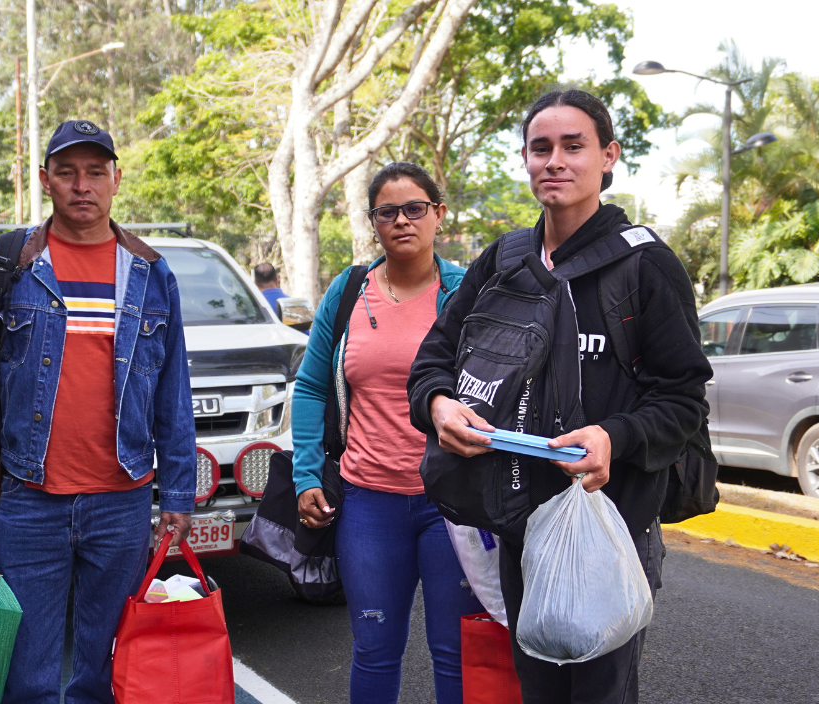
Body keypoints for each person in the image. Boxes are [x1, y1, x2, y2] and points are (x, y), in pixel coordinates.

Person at [408, 90, 712, 703]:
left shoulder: (645, 266)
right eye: (540, 148)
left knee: (600, 692)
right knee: (538, 689)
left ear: (608, 157)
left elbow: (685, 400)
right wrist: (440, 406)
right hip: (520, 522)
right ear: (524, 158)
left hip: (610, 524)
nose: (555, 161)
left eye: (574, 146)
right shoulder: (504, 260)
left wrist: (611, 436)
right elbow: (432, 360)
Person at [0, 119, 197, 703]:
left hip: (121, 502)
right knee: (25, 676)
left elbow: (173, 392)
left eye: (95, 172)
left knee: (103, 674)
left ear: (116, 180)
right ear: (46, 180)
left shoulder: (151, 275)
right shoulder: (7, 265)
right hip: (29, 500)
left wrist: (177, 494)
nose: (82, 186)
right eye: (67, 173)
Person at [292, 162, 482, 704]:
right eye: (387, 212)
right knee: (374, 651)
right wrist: (308, 473)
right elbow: (310, 388)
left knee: (456, 654)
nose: (402, 220)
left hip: (453, 505)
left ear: (438, 215)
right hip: (368, 503)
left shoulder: (468, 291)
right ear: (373, 222)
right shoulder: (349, 291)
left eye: (415, 208)